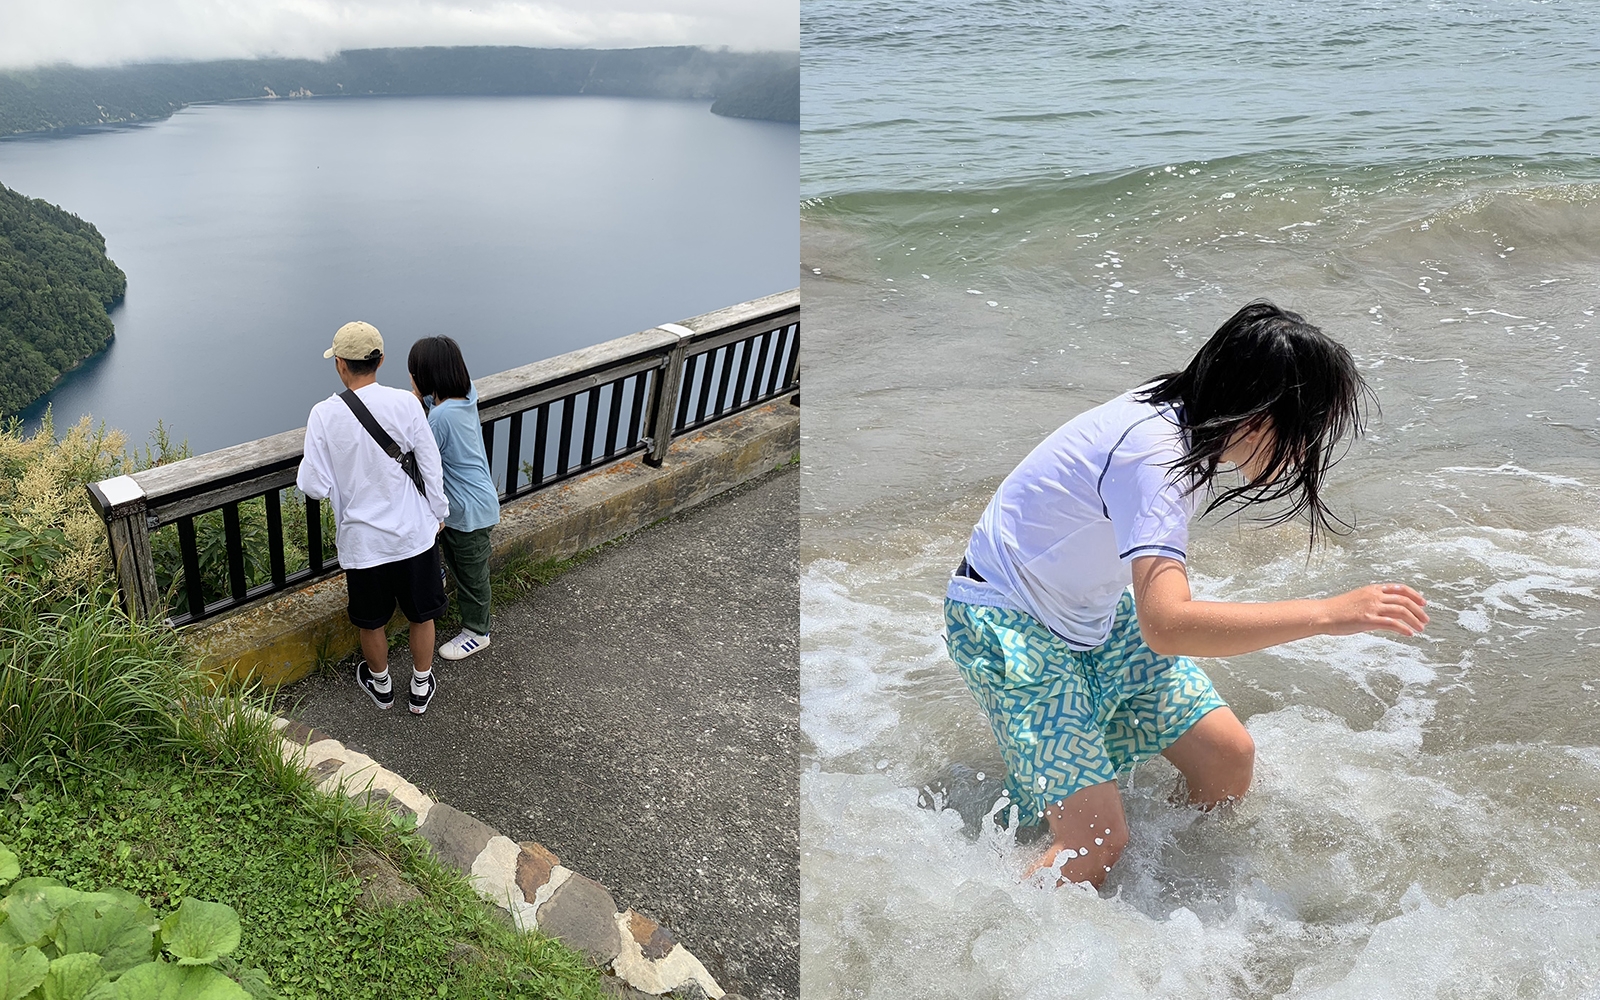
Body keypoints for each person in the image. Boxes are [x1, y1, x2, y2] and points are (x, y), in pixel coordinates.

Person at [944, 301, 1429, 888]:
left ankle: (1155, 881)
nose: (1304, 453)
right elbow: (1167, 625)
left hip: (1088, 607)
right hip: (1007, 620)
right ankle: (997, 945)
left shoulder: (1189, 421)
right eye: (1302, 432)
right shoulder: (1157, 458)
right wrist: (1327, 614)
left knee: (1228, 758)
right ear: (1256, 412)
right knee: (1095, 843)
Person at [297, 320, 451, 714]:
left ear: (340, 365)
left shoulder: (323, 415)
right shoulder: (406, 403)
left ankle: (382, 687)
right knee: (422, 615)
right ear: (381, 361)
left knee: (371, 621)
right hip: (414, 533)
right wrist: (439, 513)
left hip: (363, 542)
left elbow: (313, 486)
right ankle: (420, 686)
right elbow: (430, 467)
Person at [408, 335, 500, 660]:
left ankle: (478, 631)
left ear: (424, 378)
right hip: (475, 502)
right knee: (461, 564)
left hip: (465, 510)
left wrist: (415, 400)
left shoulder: (440, 419)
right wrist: (425, 396)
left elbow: (421, 458)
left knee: (472, 574)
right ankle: (460, 607)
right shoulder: (466, 397)